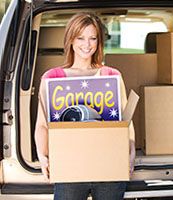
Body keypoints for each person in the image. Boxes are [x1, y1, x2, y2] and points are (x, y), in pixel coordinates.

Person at [34, 12, 135, 200]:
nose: (86, 44)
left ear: (98, 42)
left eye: (92, 38)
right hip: (69, 167)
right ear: (70, 40)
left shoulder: (111, 75)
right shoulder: (52, 78)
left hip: (108, 166)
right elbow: (42, 124)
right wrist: (42, 155)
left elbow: (125, 120)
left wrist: (130, 152)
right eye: (80, 38)